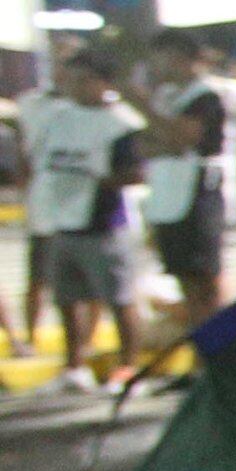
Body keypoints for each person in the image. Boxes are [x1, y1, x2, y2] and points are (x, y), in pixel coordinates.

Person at [34, 50, 145, 384]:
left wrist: (97, 177)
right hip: (63, 221)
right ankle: (74, 366)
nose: (75, 87)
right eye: (71, 80)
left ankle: (128, 367)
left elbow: (136, 173)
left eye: (84, 80)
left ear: (104, 83)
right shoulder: (57, 116)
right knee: (67, 299)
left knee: (119, 299)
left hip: (105, 225)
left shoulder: (121, 122)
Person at [139, 56, 230, 341]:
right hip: (168, 197)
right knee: (185, 279)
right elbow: (144, 145)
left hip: (197, 195)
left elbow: (183, 139)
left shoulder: (204, 96)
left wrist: (143, 107)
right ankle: (201, 352)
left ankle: (218, 351)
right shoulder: (164, 97)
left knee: (206, 279)